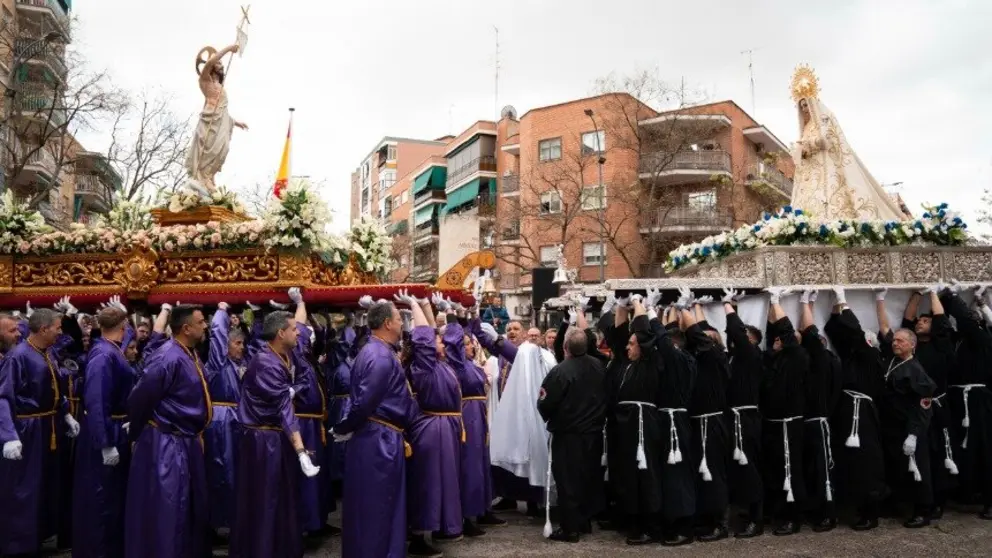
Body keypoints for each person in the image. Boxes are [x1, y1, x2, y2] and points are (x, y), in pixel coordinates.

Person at [230, 310, 320, 558]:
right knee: (265, 498)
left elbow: (304, 375)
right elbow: (284, 409)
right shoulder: (265, 363)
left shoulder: (288, 353)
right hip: (262, 440)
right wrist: (301, 450)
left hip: (278, 437)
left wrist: (293, 390)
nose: (298, 332)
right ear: (281, 333)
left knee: (283, 497)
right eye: (293, 329)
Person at [332, 299, 418, 558]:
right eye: (398, 318)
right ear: (387, 323)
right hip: (378, 440)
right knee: (377, 505)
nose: (402, 323)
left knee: (380, 504)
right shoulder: (379, 355)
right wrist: (345, 426)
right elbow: (364, 402)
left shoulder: (379, 351)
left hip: (380, 435)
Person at [124, 305, 211, 558]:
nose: (205, 326)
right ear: (186, 328)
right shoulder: (168, 357)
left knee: (190, 508)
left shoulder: (189, 353)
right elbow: (140, 398)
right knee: (169, 507)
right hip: (167, 443)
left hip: (187, 440)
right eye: (201, 321)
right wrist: (137, 432)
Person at [0, 309, 78, 556]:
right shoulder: (18, 357)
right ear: (44, 329)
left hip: (49, 425)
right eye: (57, 327)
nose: (60, 331)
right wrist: (9, 435)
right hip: (28, 429)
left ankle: (41, 535)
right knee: (25, 487)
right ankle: (18, 547)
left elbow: (55, 388)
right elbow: (3, 397)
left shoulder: (48, 353)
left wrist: (64, 412)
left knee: (47, 485)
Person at [789, 64, 906, 220]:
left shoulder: (825, 117)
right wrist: (800, 150)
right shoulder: (807, 126)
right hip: (811, 174)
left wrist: (809, 145)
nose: (804, 109)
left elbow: (828, 140)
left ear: (813, 102)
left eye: (806, 105)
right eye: (801, 106)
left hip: (828, 170)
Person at [401, 292, 464, 555]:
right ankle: (418, 535)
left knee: (442, 482)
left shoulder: (440, 363)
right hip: (431, 429)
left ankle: (434, 526)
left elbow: (443, 337)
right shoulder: (423, 366)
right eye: (438, 340)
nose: (442, 341)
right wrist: (415, 304)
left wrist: (429, 306)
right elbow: (426, 338)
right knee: (428, 482)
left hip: (443, 429)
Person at [73, 306, 138, 558]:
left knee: (113, 497)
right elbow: (97, 400)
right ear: (123, 327)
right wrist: (104, 442)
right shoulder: (103, 354)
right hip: (107, 430)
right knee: (101, 496)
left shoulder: (111, 350)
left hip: (117, 427)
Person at [824, 288, 888, 531]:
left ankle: (871, 511)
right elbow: (837, 332)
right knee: (849, 459)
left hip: (862, 415)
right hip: (847, 410)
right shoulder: (853, 358)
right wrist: (834, 307)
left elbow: (854, 332)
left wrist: (843, 300)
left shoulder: (871, 357)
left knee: (866, 461)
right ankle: (855, 506)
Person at [538, 327, 607, 543]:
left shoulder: (560, 371)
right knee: (589, 477)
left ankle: (570, 529)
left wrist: (550, 417)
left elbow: (545, 402)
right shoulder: (599, 366)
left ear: (566, 347)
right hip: (594, 434)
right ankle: (584, 520)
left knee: (568, 481)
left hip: (569, 435)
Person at [677, 297, 731, 542]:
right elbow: (683, 336)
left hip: (712, 422)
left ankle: (719, 522)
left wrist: (685, 308)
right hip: (697, 421)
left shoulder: (714, 357)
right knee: (699, 474)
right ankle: (704, 518)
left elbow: (695, 332)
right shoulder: (699, 358)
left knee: (713, 474)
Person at [900, 287, 956, 518]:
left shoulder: (941, 346)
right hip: (916, 412)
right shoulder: (913, 349)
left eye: (926, 320)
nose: (920, 323)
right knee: (920, 456)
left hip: (939, 409)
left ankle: (939, 502)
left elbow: (941, 321)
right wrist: (917, 293)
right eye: (919, 321)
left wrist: (933, 292)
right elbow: (906, 320)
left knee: (940, 454)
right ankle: (923, 502)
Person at [939, 286, 992, 520]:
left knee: (984, 449)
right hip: (958, 400)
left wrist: (951, 297)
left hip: (977, 402)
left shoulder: (982, 339)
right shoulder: (959, 340)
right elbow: (947, 325)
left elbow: (966, 321)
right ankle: (967, 491)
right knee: (961, 448)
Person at [878, 322, 936, 528]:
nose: (895, 343)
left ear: (912, 345)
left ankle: (924, 510)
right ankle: (898, 504)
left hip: (909, 428)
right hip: (891, 427)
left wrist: (913, 433)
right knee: (896, 469)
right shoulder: (891, 361)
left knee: (918, 469)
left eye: (900, 341)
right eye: (894, 340)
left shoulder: (916, 371)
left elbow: (923, 405)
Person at [761, 287, 807, 536]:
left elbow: (785, 332)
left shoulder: (797, 357)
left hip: (790, 423)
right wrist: (770, 304)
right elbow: (772, 332)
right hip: (773, 422)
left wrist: (777, 300)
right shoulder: (774, 359)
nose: (776, 341)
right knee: (775, 469)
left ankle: (793, 516)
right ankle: (777, 512)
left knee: (791, 469)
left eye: (781, 340)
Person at [797, 289, 842, 532]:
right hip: (809, 421)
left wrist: (806, 303)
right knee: (811, 469)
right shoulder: (817, 361)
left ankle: (828, 513)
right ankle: (816, 509)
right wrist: (810, 303)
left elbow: (810, 334)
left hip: (819, 421)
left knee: (823, 468)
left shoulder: (824, 361)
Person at [722, 289, 765, 538]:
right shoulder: (735, 357)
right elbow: (732, 335)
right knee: (739, 470)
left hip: (747, 419)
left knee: (750, 469)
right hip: (734, 417)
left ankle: (756, 519)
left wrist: (728, 304)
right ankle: (745, 512)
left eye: (742, 337)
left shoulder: (751, 356)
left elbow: (735, 332)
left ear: (752, 340)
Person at [203, 302, 246, 540]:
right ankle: (220, 521)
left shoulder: (240, 364)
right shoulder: (218, 364)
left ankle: (233, 518)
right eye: (237, 343)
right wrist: (220, 312)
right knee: (223, 470)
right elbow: (217, 338)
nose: (241, 347)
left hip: (235, 421)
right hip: (221, 422)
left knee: (235, 472)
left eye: (242, 343)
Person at [186, 42, 248, 193]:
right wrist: (229, 49)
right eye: (218, 62)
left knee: (223, 149)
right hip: (208, 123)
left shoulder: (221, 87)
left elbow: (223, 110)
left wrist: (235, 122)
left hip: (220, 122)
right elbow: (210, 63)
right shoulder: (205, 80)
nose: (220, 64)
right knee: (208, 150)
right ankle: (203, 177)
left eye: (220, 63)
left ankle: (209, 176)